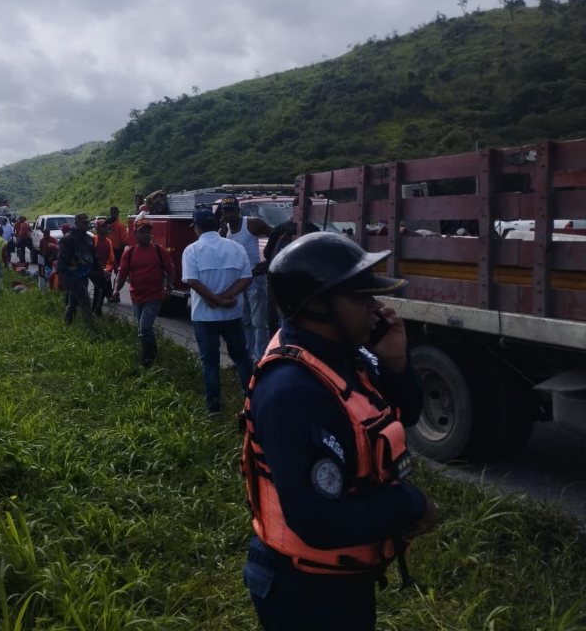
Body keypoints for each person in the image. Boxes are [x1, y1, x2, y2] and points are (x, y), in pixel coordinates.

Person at [241, 231, 438, 631]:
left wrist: (397, 363)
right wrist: (409, 504)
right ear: (316, 306)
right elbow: (316, 519)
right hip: (305, 591)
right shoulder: (294, 391)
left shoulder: (344, 356)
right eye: (360, 298)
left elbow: (403, 416)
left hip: (341, 578)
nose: (376, 308)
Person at [181, 207, 253, 415]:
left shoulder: (191, 250)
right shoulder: (235, 248)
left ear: (197, 227)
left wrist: (215, 300)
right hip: (232, 314)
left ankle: (214, 408)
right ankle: (251, 401)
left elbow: (192, 281)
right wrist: (226, 297)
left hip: (205, 316)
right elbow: (246, 277)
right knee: (241, 357)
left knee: (210, 362)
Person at [111, 217, 174, 367]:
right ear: (135, 234)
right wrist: (115, 290)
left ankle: (147, 361)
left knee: (145, 327)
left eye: (148, 232)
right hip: (136, 297)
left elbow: (171, 270)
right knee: (141, 328)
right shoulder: (130, 252)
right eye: (142, 232)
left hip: (154, 296)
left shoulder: (159, 251)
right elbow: (122, 274)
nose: (146, 235)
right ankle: (153, 353)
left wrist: (169, 287)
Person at [220, 196, 272, 362]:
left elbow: (276, 236)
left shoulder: (251, 224)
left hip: (255, 279)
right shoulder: (225, 230)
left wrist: (268, 262)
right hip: (238, 283)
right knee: (245, 321)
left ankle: (260, 359)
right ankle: (247, 357)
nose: (228, 215)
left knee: (259, 323)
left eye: (230, 210)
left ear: (238, 211)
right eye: (224, 211)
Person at [57, 212, 98, 326]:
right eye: (83, 222)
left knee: (73, 304)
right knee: (86, 303)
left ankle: (67, 325)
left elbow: (94, 257)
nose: (86, 224)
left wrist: (100, 270)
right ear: (76, 223)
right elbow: (61, 260)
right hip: (72, 276)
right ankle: (91, 329)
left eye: (87, 222)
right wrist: (61, 278)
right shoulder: (69, 239)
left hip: (84, 275)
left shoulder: (88, 238)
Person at [91, 219, 115, 315]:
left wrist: (110, 270)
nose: (106, 228)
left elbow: (111, 258)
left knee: (102, 287)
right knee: (99, 286)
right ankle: (95, 310)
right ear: (98, 228)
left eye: (107, 226)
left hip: (102, 270)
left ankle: (97, 309)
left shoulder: (108, 241)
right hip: (92, 269)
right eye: (103, 226)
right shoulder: (94, 240)